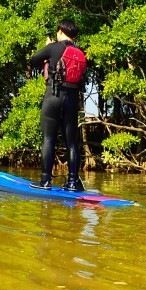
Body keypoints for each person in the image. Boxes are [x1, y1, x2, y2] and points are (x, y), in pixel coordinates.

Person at [28, 19, 87, 191]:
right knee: (72, 143)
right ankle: (72, 182)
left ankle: (45, 181)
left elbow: (33, 60)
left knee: (49, 139)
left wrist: (48, 48)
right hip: (72, 100)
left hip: (53, 97)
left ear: (60, 31)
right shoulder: (80, 52)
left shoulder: (53, 47)